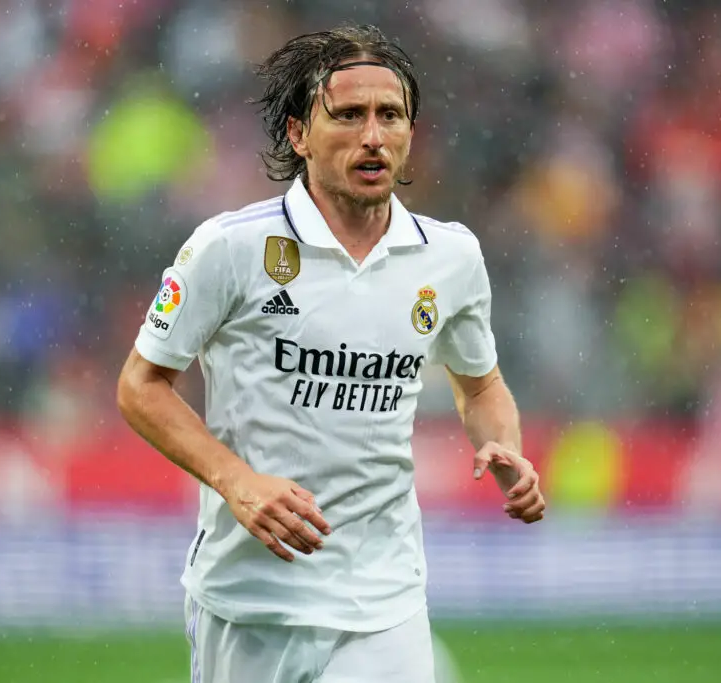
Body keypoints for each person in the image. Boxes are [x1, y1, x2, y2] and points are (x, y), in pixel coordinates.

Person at [116, 24, 545, 683]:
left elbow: (481, 385)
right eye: (348, 115)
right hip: (250, 601)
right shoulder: (230, 248)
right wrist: (237, 482)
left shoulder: (451, 256)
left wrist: (503, 445)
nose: (373, 135)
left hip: (385, 601)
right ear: (298, 134)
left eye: (390, 115)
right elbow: (140, 385)